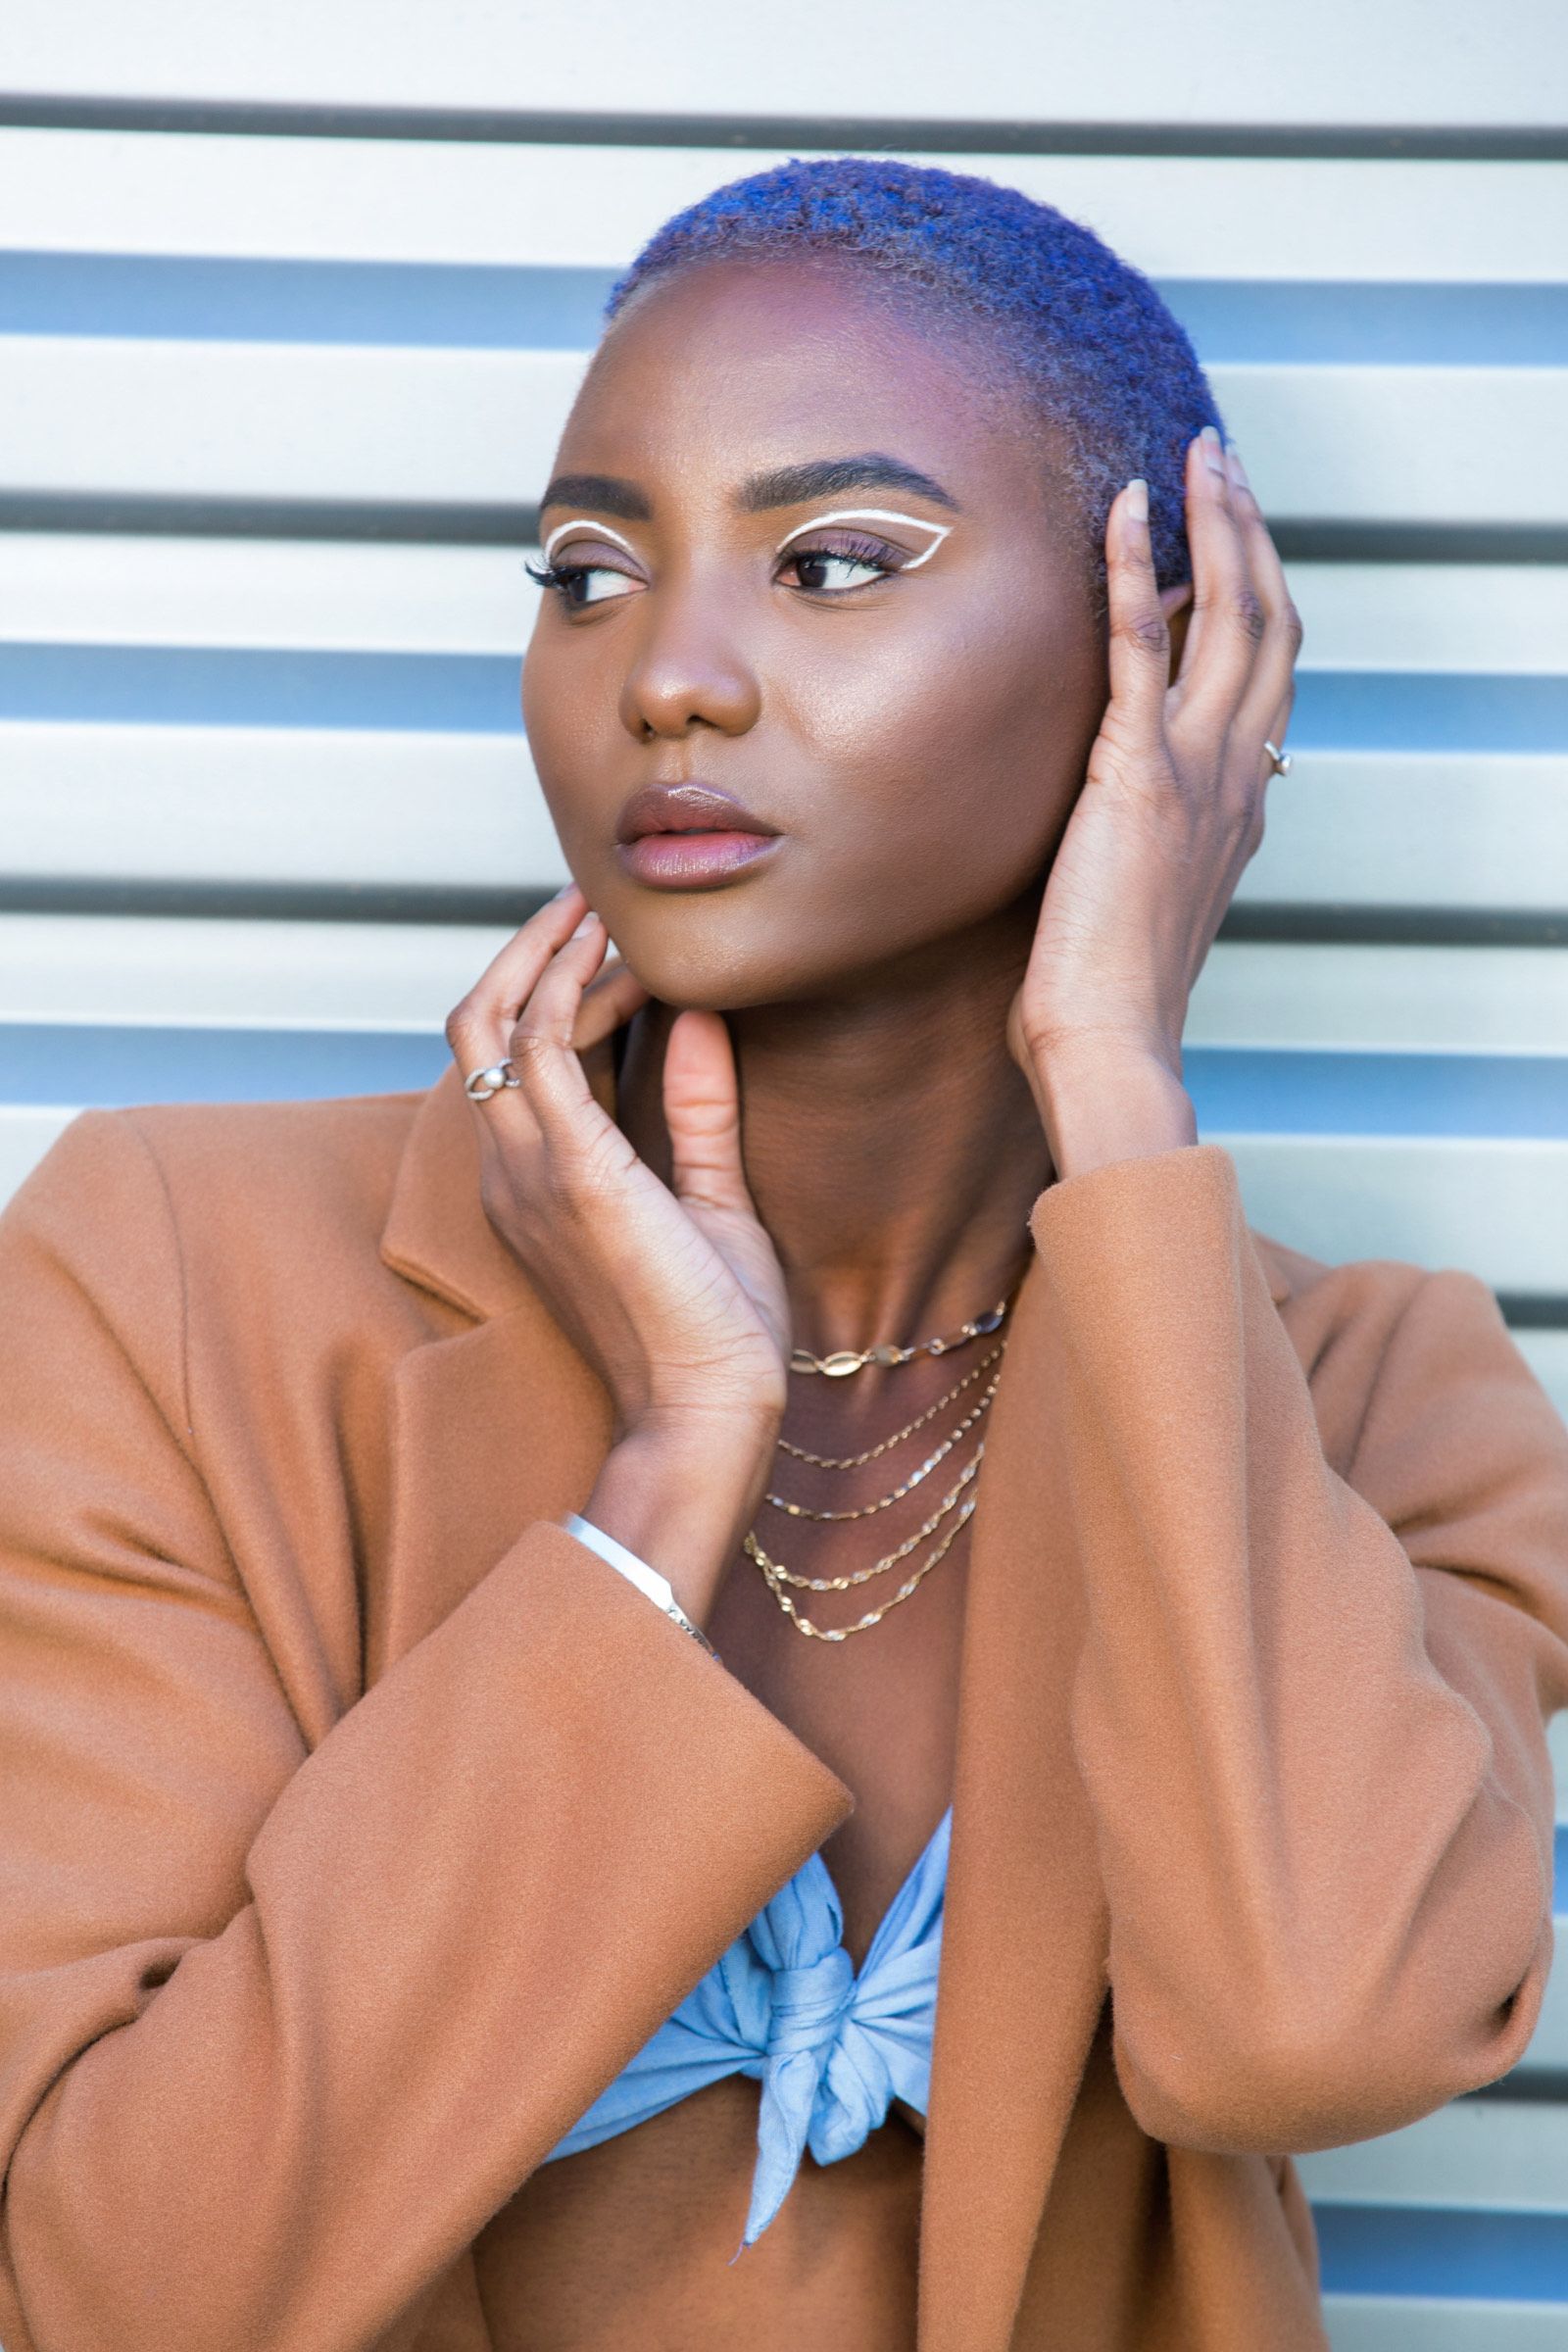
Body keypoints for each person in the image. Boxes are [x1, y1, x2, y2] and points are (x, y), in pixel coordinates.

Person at [0, 158, 1564, 2352]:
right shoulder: (163, 1276)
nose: (669, 678)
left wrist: (1111, 1076)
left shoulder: (1382, 1399)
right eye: (584, 572)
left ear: (1172, 657)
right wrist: (661, 1489)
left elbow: (1309, 2029)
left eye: (834, 561)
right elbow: (122, 2284)